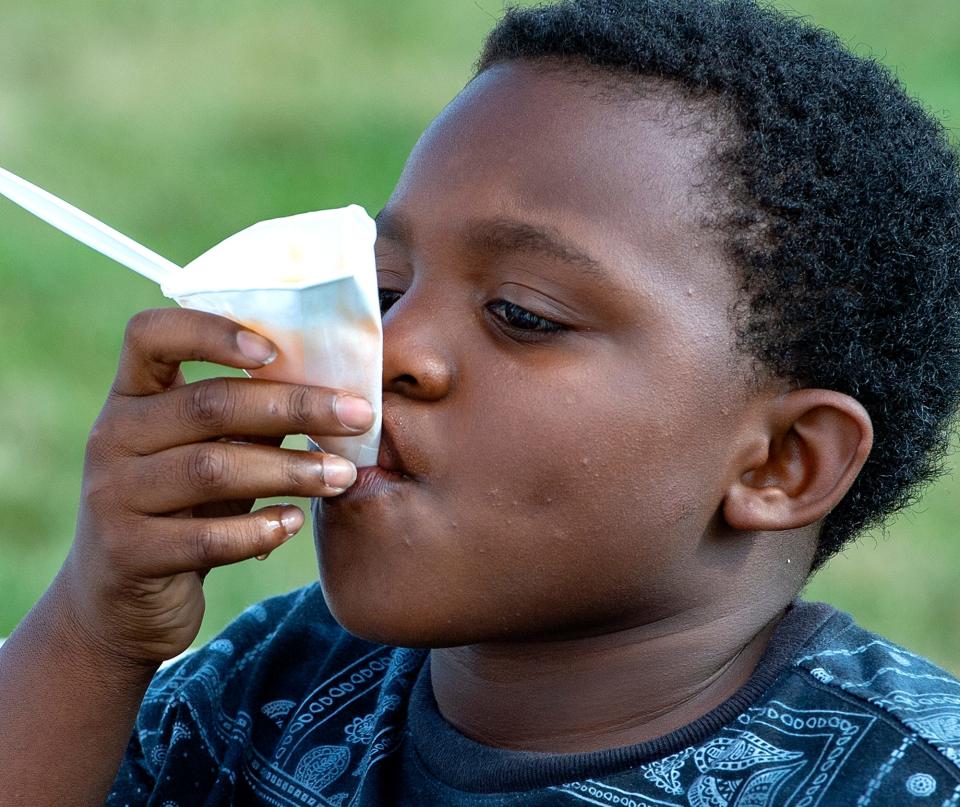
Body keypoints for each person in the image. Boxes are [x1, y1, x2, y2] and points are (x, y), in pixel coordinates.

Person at [3, 0, 960, 803]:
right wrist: (92, 633)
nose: (397, 347)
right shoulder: (278, 684)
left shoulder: (903, 779)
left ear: (780, 461)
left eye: (521, 314)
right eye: (381, 290)